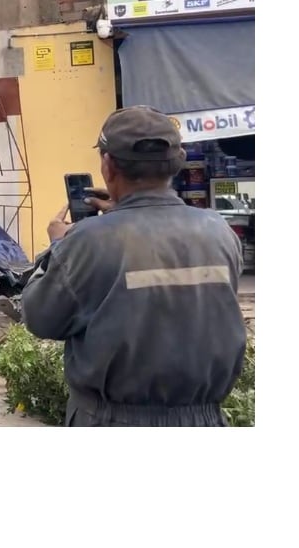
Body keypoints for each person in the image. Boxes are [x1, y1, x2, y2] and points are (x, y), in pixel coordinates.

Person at [19, 106, 247, 427]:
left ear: (108, 166)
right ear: (177, 164)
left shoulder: (88, 240)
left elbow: (42, 319)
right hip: (204, 419)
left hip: (113, 421)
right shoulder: (218, 231)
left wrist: (60, 245)